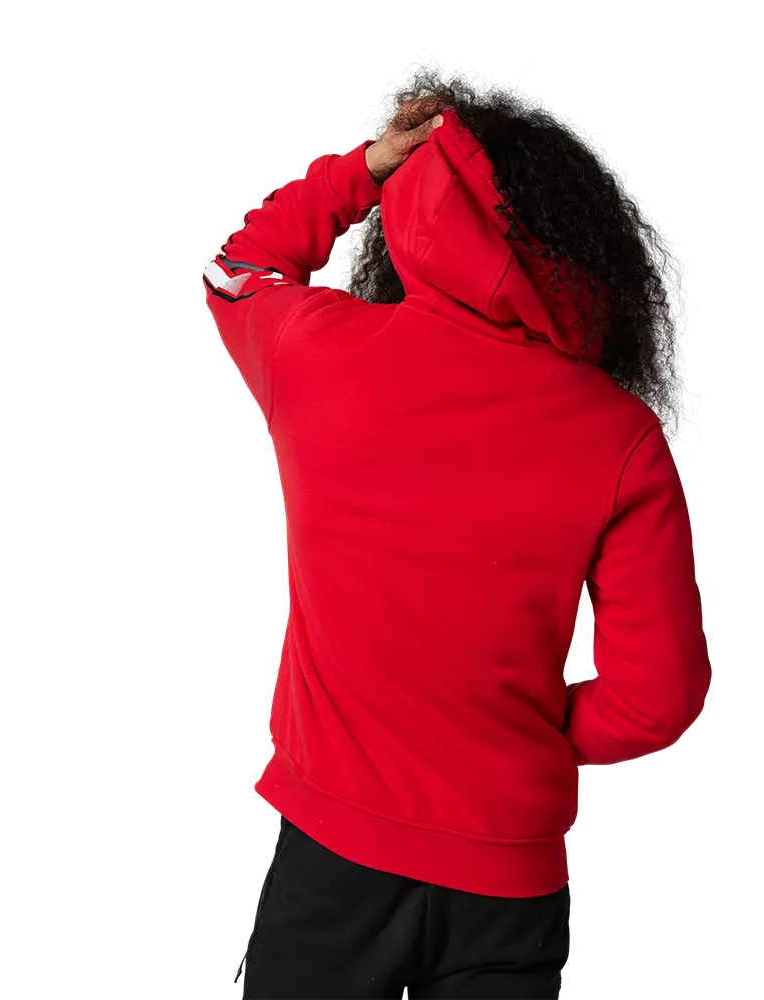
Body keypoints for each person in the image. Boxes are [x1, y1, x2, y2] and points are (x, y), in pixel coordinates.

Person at [202, 48, 711, 1000]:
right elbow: (660, 698)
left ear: (416, 215)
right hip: (507, 882)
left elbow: (237, 271)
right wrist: (524, 731)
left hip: (331, 856)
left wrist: (359, 172)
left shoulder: (317, 353)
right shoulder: (620, 439)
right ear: (589, 253)